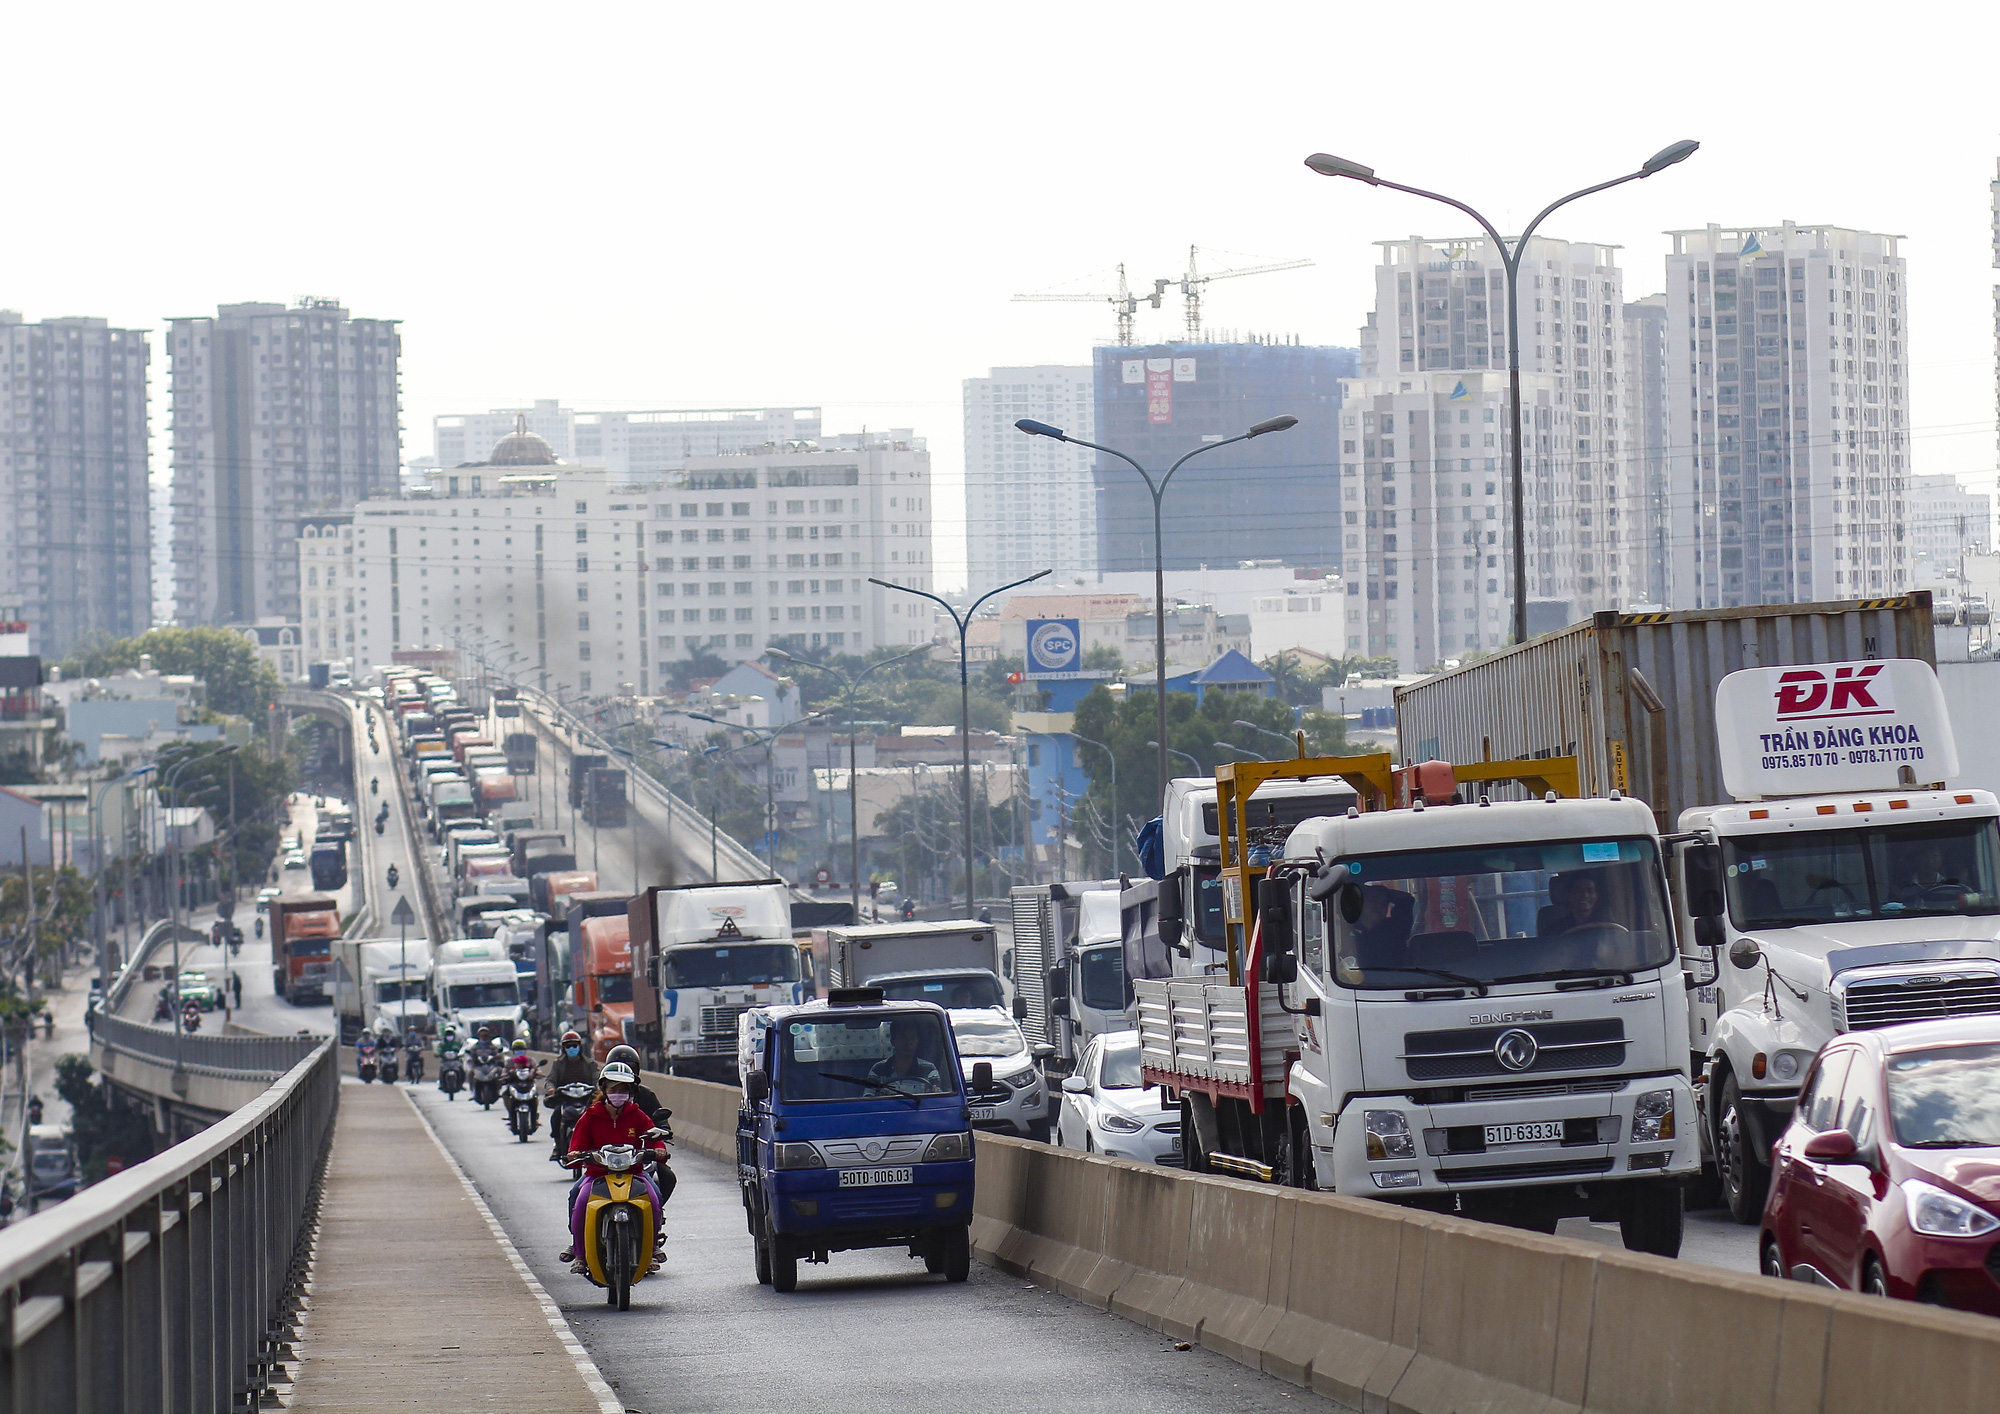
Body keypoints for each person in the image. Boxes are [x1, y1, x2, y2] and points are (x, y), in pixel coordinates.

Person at [560, 1062, 667, 1273]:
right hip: (596, 1174)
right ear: (604, 1090)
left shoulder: (637, 1115)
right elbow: (577, 1145)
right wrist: (575, 1154)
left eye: (623, 1090)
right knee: (577, 1198)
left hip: (634, 1172)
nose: (618, 1094)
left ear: (630, 1092)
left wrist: (659, 1149)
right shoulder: (590, 1117)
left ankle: (652, 1248)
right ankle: (580, 1253)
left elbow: (654, 1137)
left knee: (654, 1199)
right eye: (613, 1089)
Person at [544, 1030, 602, 1157]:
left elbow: (597, 1079)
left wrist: (599, 1089)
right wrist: (551, 1089)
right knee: (556, 1116)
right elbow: (550, 1080)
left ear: (580, 1047)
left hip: (585, 1098)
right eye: (568, 1046)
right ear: (564, 1048)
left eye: (574, 1045)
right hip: (565, 1098)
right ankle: (558, 1145)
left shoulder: (590, 1064)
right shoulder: (558, 1064)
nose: (572, 1048)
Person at [867, 1017, 945, 1095]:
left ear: (917, 1041)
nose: (908, 1043)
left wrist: (933, 1093)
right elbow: (868, 1100)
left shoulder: (929, 1069)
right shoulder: (878, 1069)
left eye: (913, 1038)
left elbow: (937, 1099)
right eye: (903, 1038)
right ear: (893, 1041)